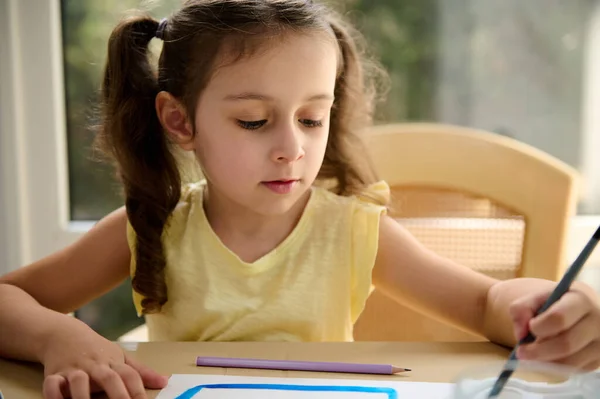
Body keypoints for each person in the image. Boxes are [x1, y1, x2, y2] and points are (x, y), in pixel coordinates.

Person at [1, 1, 599, 398]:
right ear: (180, 120)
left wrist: (536, 304)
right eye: (255, 121)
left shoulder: (356, 229)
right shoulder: (150, 226)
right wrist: (59, 336)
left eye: (312, 119)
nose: (292, 147)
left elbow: (487, 302)